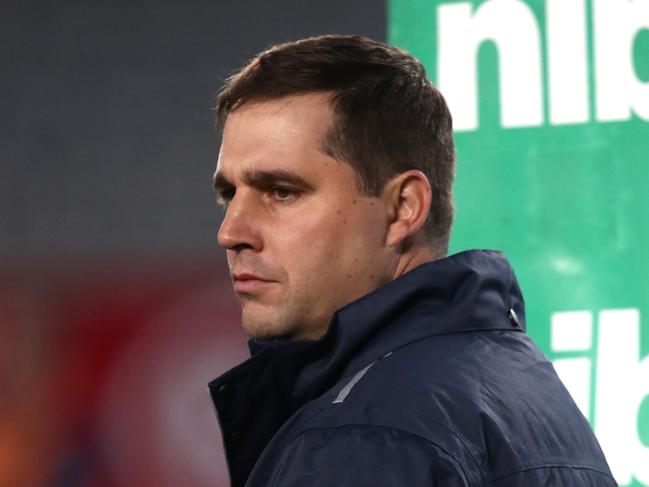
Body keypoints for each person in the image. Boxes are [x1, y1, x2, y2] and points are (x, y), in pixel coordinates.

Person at [208, 35, 616, 487]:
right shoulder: (523, 388)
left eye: (283, 191)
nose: (231, 232)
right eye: (229, 194)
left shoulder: (365, 438)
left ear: (403, 207)